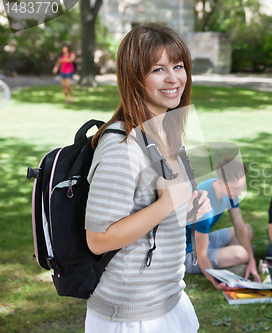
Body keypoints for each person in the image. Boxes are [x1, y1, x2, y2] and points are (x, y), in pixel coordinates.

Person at [84, 24, 211, 332]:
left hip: (169, 298)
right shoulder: (121, 145)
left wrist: (190, 207)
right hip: (131, 313)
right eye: (158, 69)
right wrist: (167, 204)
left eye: (178, 66)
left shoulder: (167, 132)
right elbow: (98, 240)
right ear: (134, 77)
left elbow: (159, 211)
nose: (173, 79)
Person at [184, 157, 262, 289]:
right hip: (188, 253)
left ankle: (232, 260)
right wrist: (216, 282)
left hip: (204, 240)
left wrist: (252, 262)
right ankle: (232, 263)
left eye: (241, 188)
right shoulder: (203, 206)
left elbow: (240, 227)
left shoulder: (230, 192)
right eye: (236, 188)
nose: (239, 193)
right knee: (241, 253)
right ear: (220, 182)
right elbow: (201, 254)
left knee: (248, 230)